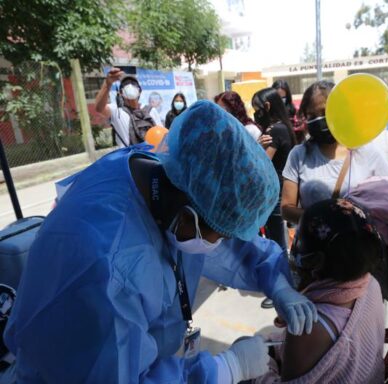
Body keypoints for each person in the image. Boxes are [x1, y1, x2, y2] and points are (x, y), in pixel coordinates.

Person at [5, 101, 319, 383]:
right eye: (221, 235)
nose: (225, 243)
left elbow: (232, 239)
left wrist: (277, 282)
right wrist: (224, 369)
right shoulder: (106, 269)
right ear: (187, 219)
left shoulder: (156, 170)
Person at [253, 199, 385, 383]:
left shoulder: (309, 326)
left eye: (298, 237)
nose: (294, 243)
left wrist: (258, 367)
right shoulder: (371, 284)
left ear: (314, 261)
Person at [281, 81, 388, 225]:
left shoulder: (367, 151)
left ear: (341, 110)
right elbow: (286, 209)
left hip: (359, 244)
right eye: (311, 115)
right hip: (311, 245)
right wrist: (322, 218)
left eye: (324, 112)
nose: (319, 120)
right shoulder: (299, 154)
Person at [252, 88, 296, 252]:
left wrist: (256, 147)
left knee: (277, 246)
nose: (256, 114)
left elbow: (261, 163)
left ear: (267, 106)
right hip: (279, 191)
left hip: (274, 194)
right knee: (276, 243)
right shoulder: (284, 126)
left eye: (257, 109)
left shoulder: (275, 130)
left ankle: (281, 276)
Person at [95, 68, 155, 147]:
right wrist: (107, 84)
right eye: (126, 84)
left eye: (133, 83)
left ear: (140, 90)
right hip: (130, 158)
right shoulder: (117, 111)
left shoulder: (151, 110)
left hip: (153, 156)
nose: (130, 86)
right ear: (120, 92)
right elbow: (99, 108)